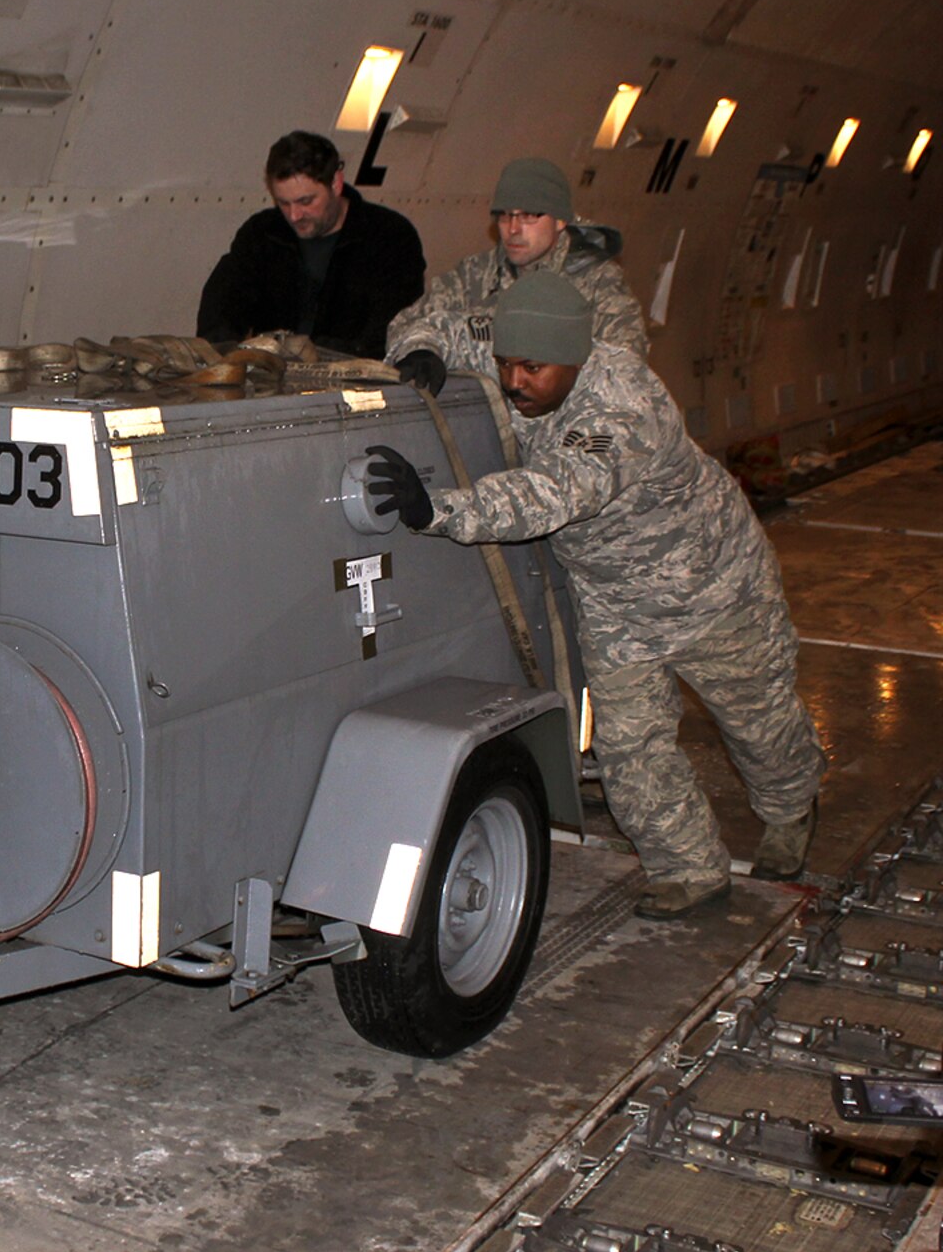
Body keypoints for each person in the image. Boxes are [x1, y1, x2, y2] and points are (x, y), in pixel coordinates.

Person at [365, 274, 825, 919]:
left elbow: (554, 494)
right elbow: (440, 318)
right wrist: (421, 349)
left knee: (757, 723)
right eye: (503, 364)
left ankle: (790, 805)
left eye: (532, 368)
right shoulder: (524, 353)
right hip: (614, 598)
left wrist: (437, 508)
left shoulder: (622, 409)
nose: (514, 381)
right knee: (627, 744)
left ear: (577, 359)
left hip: (710, 589)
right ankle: (687, 866)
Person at [385, 156, 648, 395]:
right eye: (504, 216)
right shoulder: (474, 275)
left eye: (529, 216)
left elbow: (625, 363)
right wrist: (422, 350)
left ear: (560, 220)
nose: (513, 229)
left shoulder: (597, 280)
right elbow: (402, 327)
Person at [196, 129, 425, 360]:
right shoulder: (262, 234)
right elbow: (225, 300)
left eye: (306, 201)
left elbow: (396, 324)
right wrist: (219, 350)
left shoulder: (389, 236)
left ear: (335, 183)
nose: (294, 215)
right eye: (283, 203)